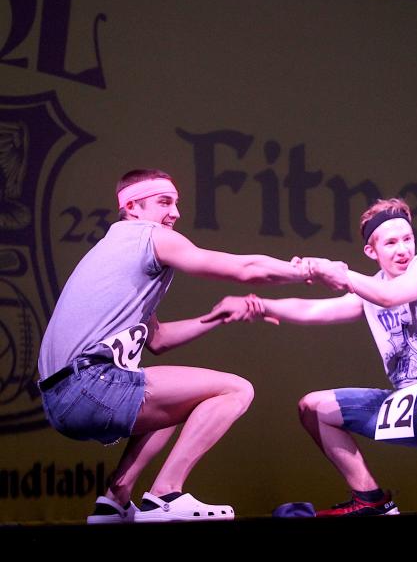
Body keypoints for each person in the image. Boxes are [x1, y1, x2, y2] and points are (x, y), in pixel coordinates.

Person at [37, 168, 343, 523]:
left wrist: (215, 317)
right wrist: (309, 270)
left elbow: (159, 339)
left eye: (176, 203)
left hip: (61, 399)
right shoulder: (149, 236)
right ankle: (166, 493)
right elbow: (245, 268)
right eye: (164, 202)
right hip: (90, 386)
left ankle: (115, 499)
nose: (176, 213)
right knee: (236, 390)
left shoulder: (113, 252)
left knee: (178, 398)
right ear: (133, 207)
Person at [228, 198, 417, 515]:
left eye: (407, 239)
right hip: (408, 402)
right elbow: (314, 309)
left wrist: (335, 270)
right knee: (313, 407)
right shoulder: (371, 288)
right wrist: (260, 305)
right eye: (391, 242)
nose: (403, 249)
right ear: (371, 252)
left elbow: (390, 297)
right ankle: (371, 498)